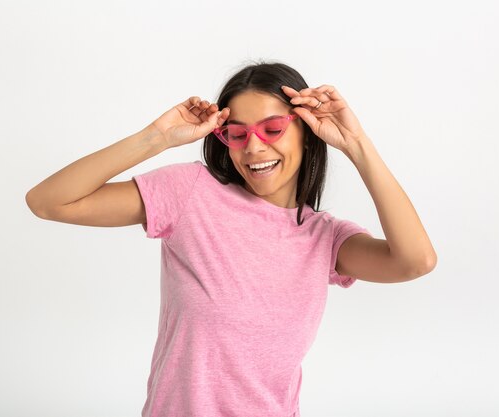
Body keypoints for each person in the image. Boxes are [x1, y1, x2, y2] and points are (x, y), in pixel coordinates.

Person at [26, 60, 437, 417]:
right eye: (237, 134)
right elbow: (48, 202)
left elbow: (415, 261)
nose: (254, 148)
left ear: (307, 133)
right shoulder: (190, 193)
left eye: (273, 129)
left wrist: (357, 145)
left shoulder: (325, 239)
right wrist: (157, 137)